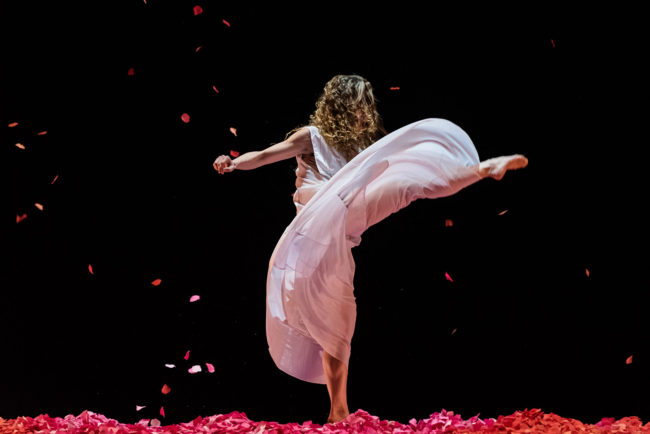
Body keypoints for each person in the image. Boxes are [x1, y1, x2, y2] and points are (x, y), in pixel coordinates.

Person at [213, 74, 528, 424]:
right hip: (314, 225)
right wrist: (234, 162)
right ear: (344, 107)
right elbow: (265, 155)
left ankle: (480, 170)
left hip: (344, 224)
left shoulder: (361, 151)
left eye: (367, 106)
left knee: (406, 185)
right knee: (337, 305)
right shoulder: (312, 136)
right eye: (361, 105)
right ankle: (338, 409)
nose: (366, 113)